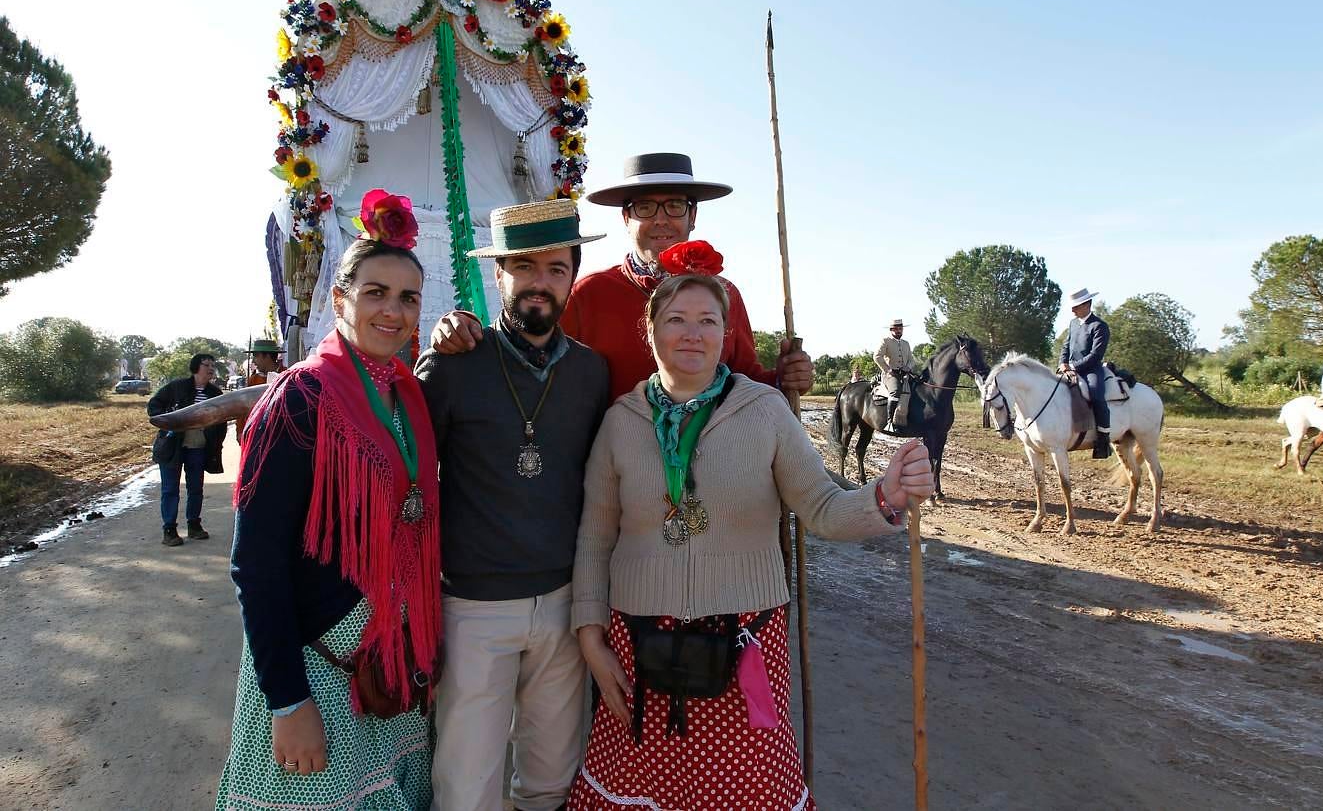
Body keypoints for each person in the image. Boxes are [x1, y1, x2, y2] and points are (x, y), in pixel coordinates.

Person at [566, 241, 934, 809]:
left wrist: (885, 496)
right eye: (677, 320)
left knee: (750, 790)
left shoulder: (765, 411)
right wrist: (591, 637)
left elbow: (820, 507)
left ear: (727, 332)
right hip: (637, 646)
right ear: (651, 331)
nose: (693, 333)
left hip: (745, 642)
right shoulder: (621, 421)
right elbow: (594, 538)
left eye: (708, 321)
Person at [217, 190, 442, 810]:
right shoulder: (298, 400)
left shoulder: (409, 398)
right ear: (339, 299)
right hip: (316, 671)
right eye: (375, 293)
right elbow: (255, 565)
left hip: (389, 676)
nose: (392, 311)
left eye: (407, 297)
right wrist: (288, 701)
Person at [415, 199, 611, 811]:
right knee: (466, 782)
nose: (540, 282)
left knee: (551, 779)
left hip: (562, 603)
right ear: (497, 273)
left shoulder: (591, 373)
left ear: (572, 277)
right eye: (523, 267)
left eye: (556, 268)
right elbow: (409, 476)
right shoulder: (451, 365)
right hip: (473, 607)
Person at [430, 152, 814, 403]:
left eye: (675, 205)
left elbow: (744, 380)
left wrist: (784, 379)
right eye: (645, 207)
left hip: (710, 476)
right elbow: (526, 350)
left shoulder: (723, 296)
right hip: (615, 483)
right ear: (625, 219)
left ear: (692, 216)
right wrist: (461, 329)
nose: (661, 218)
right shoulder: (590, 294)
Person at [147, 353, 226, 546]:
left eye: (212, 365)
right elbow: (154, 405)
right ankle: (169, 529)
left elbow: (222, 420)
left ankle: (194, 525)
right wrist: (167, 421)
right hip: (172, 446)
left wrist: (216, 443)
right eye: (206, 365)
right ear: (196, 367)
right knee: (170, 489)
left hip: (197, 447)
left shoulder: (215, 394)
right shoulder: (177, 387)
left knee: (195, 488)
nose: (210, 369)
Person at [1057, 287, 1112, 459]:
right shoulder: (1073, 324)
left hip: (1091, 370)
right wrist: (1062, 363)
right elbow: (1066, 346)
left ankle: (1103, 440)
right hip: (1070, 368)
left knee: (1096, 396)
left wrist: (1073, 367)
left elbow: (1095, 356)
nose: (1072, 310)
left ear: (1087, 304)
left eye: (1076, 306)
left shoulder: (1099, 326)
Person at [235, 338, 286, 443]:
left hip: (281, 435)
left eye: (256, 356)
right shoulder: (253, 380)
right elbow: (243, 408)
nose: (253, 361)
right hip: (256, 436)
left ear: (267, 356)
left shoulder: (286, 375)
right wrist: (240, 430)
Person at [875, 318, 917, 432]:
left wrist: (908, 367)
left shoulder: (906, 343)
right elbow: (877, 357)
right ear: (891, 330)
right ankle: (890, 423)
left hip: (905, 373)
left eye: (900, 329)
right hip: (891, 374)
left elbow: (912, 360)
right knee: (896, 391)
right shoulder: (886, 341)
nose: (899, 331)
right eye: (896, 329)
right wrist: (888, 370)